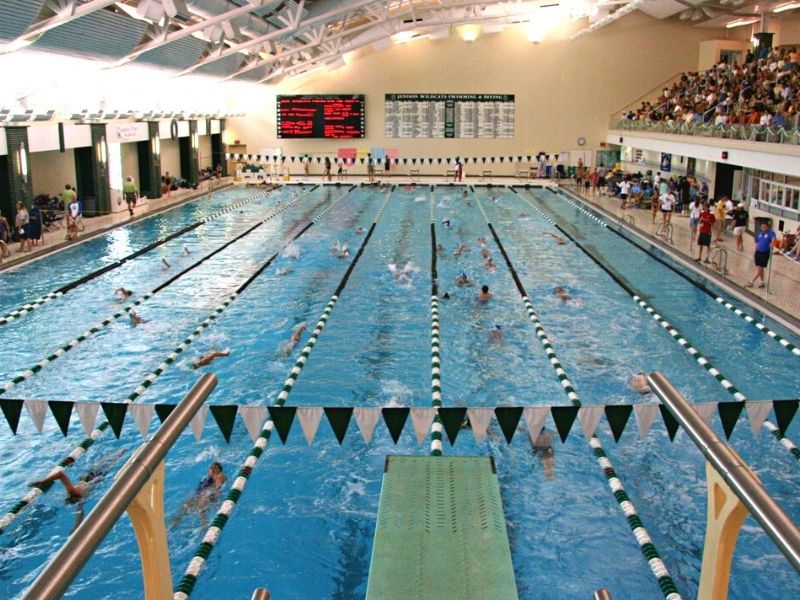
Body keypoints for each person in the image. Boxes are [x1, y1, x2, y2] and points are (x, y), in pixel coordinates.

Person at [29, 449, 126, 530]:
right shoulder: (74, 493)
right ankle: (119, 452)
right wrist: (42, 482)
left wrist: (76, 528)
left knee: (109, 464)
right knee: (104, 463)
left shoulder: (78, 496)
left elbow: (80, 514)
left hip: (94, 479)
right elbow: (61, 475)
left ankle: (120, 453)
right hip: (91, 478)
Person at [171, 462, 227, 528]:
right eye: (211, 468)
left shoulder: (219, 475)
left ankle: (205, 528)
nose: (212, 469)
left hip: (208, 494)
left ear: (218, 470)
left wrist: (214, 493)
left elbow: (218, 486)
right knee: (185, 506)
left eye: (215, 468)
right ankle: (173, 524)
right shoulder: (209, 477)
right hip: (199, 494)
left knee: (201, 510)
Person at [746, 220, 776, 288]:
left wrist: (772, 244)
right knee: (760, 268)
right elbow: (757, 243)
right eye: (762, 227)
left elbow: (773, 239)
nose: (763, 228)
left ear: (768, 227)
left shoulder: (771, 233)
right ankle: (762, 282)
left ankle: (752, 281)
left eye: (765, 227)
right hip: (758, 252)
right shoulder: (759, 234)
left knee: (760, 268)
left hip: (765, 253)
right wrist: (755, 252)